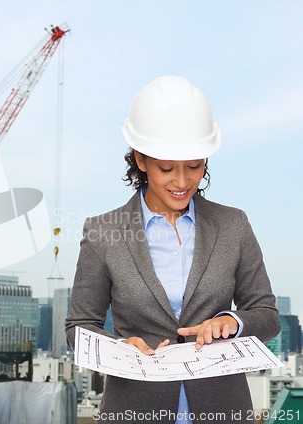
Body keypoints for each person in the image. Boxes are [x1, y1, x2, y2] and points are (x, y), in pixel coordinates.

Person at [65, 76, 280, 424]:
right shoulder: (102, 232)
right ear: (140, 159)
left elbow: (266, 314)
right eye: (166, 168)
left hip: (222, 409)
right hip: (133, 409)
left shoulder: (233, 224)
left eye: (194, 166)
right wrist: (119, 349)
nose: (182, 182)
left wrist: (232, 321)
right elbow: (80, 326)